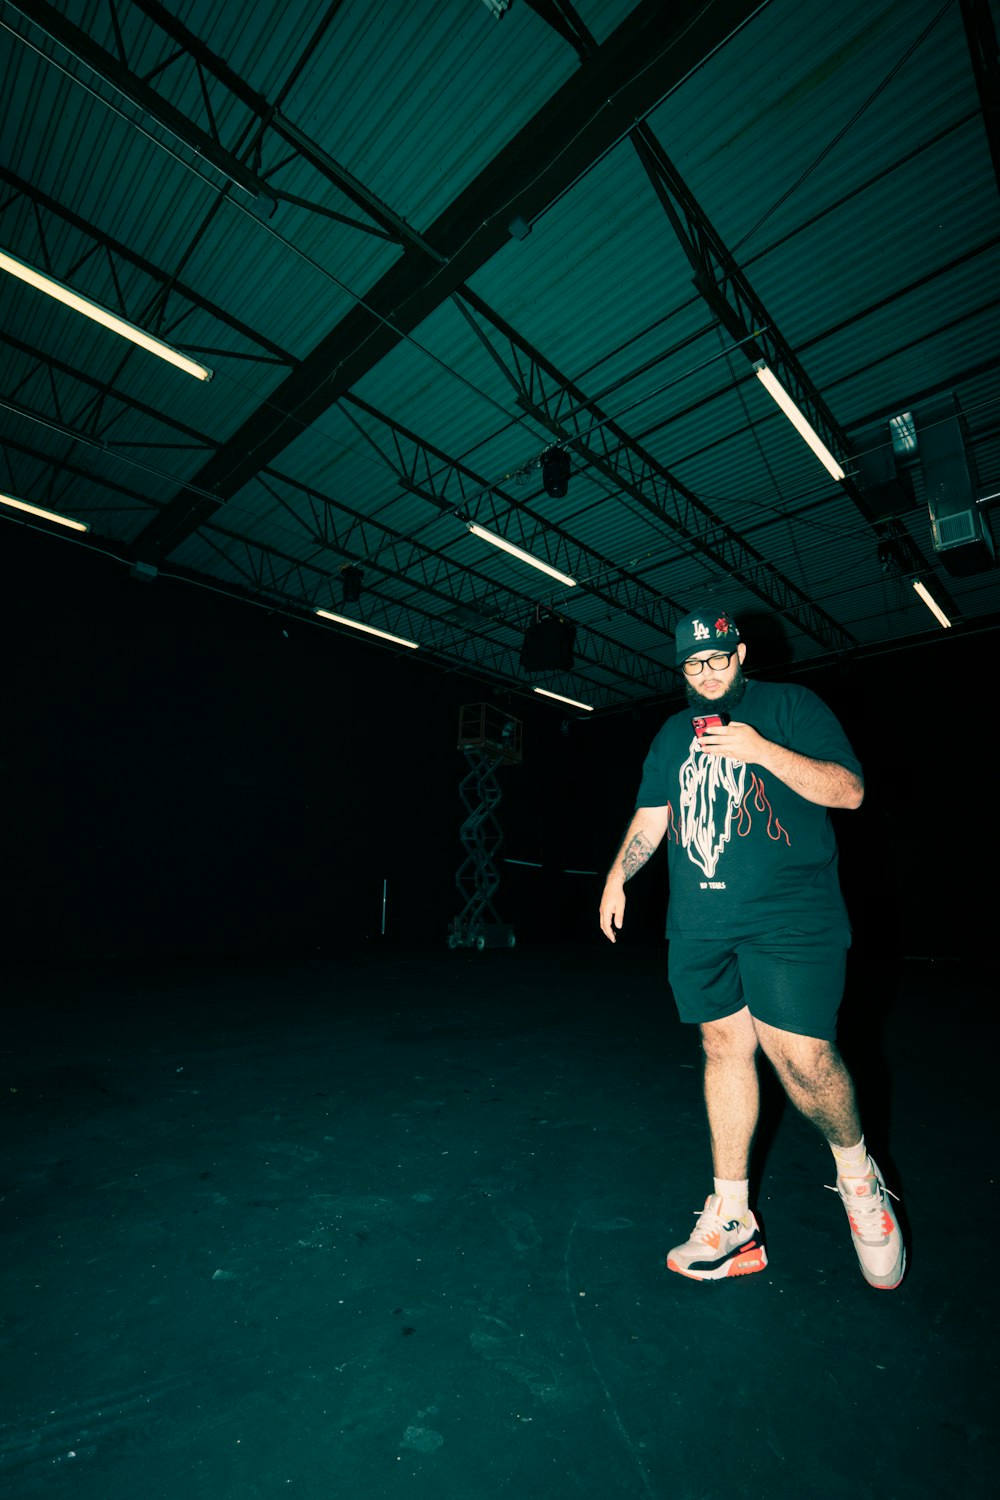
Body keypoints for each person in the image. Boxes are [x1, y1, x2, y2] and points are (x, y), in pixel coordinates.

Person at [598, 603, 905, 1289]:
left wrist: (759, 749)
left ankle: (859, 1179)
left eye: (717, 660)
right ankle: (733, 1219)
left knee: (800, 1058)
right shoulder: (671, 734)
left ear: (740, 657)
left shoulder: (792, 706)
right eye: (692, 665)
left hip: (790, 921)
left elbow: (850, 791)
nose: (706, 674)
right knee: (723, 1049)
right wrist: (619, 873)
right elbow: (655, 813)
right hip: (701, 926)